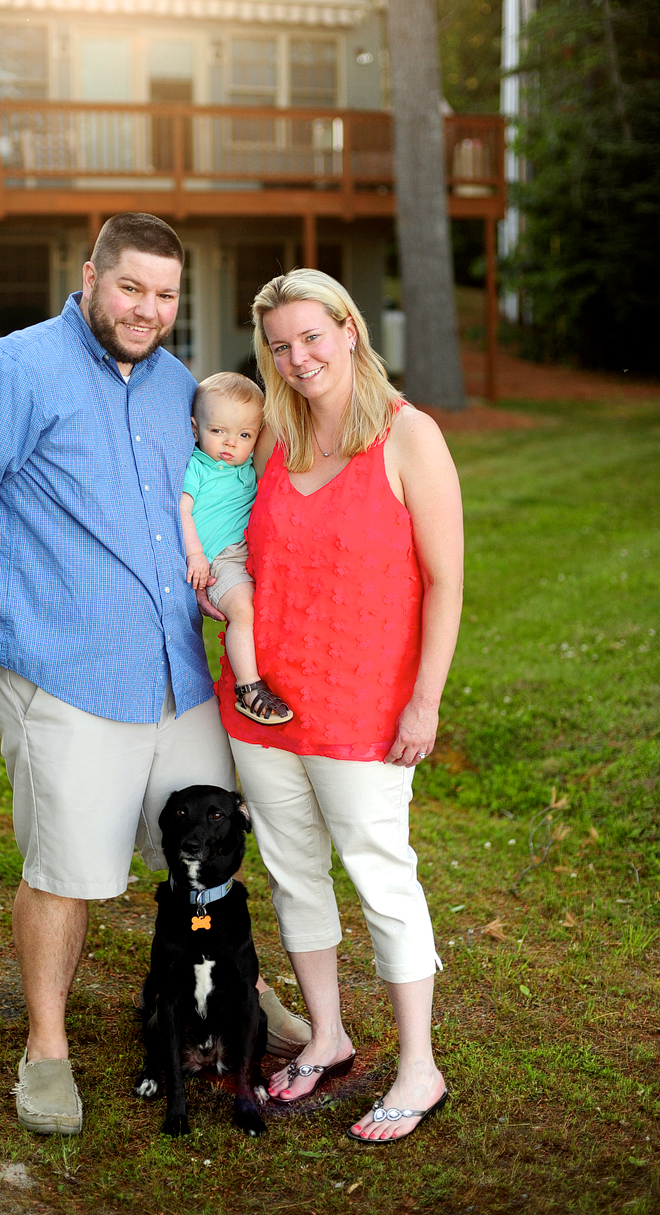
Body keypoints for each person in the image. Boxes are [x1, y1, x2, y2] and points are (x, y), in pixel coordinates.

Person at [0, 213, 308, 1137]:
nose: (148, 309)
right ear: (90, 274)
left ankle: (236, 987)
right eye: (131, 287)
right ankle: (46, 1049)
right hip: (65, 673)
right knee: (69, 867)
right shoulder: (19, 369)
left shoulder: (177, 386)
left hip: (176, 670)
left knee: (208, 847)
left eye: (166, 295)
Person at [215, 268, 464, 1144]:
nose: (297, 357)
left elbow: (445, 580)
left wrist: (424, 701)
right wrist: (222, 582)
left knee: (381, 874)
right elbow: (234, 540)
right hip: (262, 705)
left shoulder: (408, 436)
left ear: (350, 330)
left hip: (363, 705)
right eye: (279, 344)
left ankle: (418, 1065)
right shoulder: (270, 438)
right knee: (291, 870)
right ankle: (326, 1035)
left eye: (311, 336)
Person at [180, 371, 292, 726]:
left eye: (244, 435)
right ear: (195, 428)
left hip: (250, 552)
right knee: (243, 611)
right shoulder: (196, 467)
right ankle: (248, 689)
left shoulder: (246, 467)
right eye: (219, 431)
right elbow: (180, 509)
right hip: (219, 558)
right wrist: (195, 554)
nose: (230, 444)